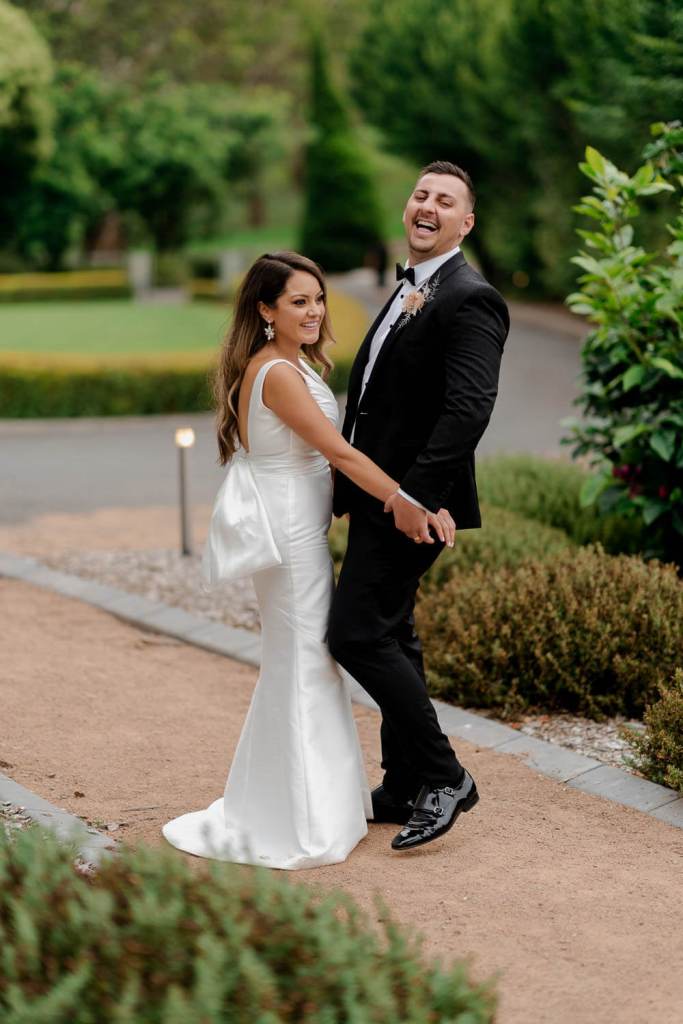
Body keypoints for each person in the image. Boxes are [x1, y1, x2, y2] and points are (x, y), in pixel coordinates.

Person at [162, 251, 455, 870]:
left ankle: (309, 802)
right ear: (265, 311)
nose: (315, 310)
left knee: (304, 661)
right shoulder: (279, 374)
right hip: (291, 540)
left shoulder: (287, 364)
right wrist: (408, 501)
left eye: (318, 298)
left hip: (299, 529)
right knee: (306, 663)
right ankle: (300, 817)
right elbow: (340, 455)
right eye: (298, 301)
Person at [328, 160, 510, 852]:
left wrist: (413, 497)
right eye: (420, 194)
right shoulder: (411, 287)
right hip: (378, 494)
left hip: (410, 504)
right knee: (392, 632)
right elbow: (375, 400)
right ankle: (404, 780)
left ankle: (443, 774)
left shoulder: (470, 298)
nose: (427, 206)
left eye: (445, 201)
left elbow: (469, 409)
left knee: (354, 633)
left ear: (465, 223)